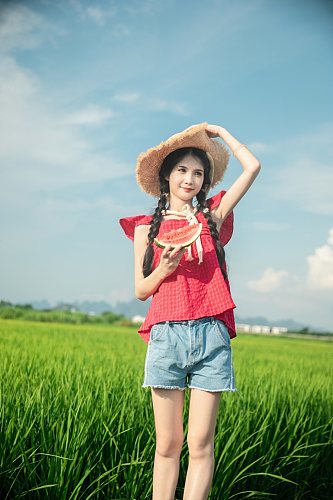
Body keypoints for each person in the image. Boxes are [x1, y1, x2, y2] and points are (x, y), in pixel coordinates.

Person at [119, 122, 261, 500]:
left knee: (200, 443)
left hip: (211, 335)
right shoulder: (144, 229)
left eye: (198, 173)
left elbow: (253, 168)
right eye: (182, 169)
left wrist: (222, 133)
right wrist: (163, 269)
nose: (190, 178)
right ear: (167, 175)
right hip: (166, 336)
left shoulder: (210, 217)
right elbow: (140, 290)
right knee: (168, 443)